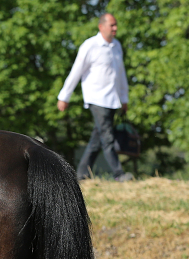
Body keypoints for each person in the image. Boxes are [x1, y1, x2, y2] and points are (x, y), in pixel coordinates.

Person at [57, 13, 133, 182]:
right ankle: (119, 174)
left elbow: (120, 74)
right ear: (101, 27)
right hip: (96, 98)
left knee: (97, 140)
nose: (115, 28)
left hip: (112, 99)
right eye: (112, 25)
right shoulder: (90, 46)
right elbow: (76, 71)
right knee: (107, 137)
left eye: (115, 25)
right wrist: (64, 96)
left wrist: (124, 97)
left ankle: (81, 175)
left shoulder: (117, 46)